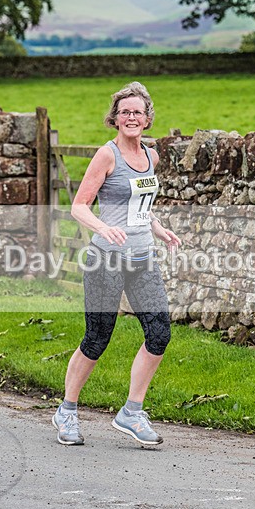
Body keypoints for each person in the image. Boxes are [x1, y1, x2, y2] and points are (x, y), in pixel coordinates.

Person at [52, 81, 181, 446]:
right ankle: (67, 411)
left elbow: (141, 208)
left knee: (159, 335)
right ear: (115, 118)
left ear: (148, 118)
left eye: (137, 112)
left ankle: (131, 412)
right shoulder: (106, 156)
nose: (131, 117)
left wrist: (159, 229)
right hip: (105, 260)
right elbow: (79, 205)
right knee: (97, 338)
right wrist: (102, 228)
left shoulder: (152, 157)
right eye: (125, 112)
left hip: (142, 258)